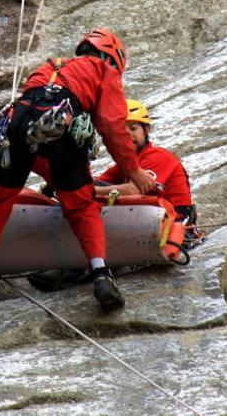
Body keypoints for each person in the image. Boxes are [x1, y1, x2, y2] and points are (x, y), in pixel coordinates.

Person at [0, 28, 157, 326]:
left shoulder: (49, 67)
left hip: (18, 124)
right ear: (112, 57)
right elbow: (111, 124)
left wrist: (52, 179)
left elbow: (34, 139)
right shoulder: (104, 71)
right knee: (81, 207)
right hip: (64, 125)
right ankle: (102, 275)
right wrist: (134, 171)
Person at [27, 99, 203, 292]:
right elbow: (92, 183)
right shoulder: (124, 166)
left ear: (147, 131)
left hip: (174, 229)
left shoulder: (158, 156)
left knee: (95, 199)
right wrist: (63, 184)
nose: (128, 134)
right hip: (147, 227)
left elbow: (134, 190)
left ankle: (80, 267)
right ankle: (78, 262)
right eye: (123, 130)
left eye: (133, 128)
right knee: (85, 194)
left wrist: (83, 192)